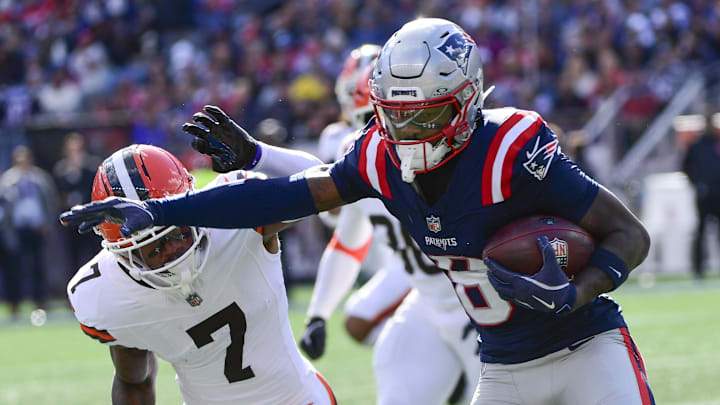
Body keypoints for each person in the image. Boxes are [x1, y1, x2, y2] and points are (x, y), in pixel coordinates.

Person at [61, 18, 654, 405]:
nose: (405, 130)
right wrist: (186, 199)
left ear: (468, 103)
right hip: (501, 364)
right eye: (393, 114)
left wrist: (579, 291)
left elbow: (629, 234)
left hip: (584, 342)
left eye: (423, 115)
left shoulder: (511, 149)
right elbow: (282, 194)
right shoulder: (379, 156)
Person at [64, 142, 336, 405]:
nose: (172, 249)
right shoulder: (105, 293)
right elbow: (135, 381)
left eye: (178, 230)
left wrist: (258, 153)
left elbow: (328, 185)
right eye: (155, 247)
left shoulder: (236, 220)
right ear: (123, 254)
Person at [300, 66, 480, 405]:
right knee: (396, 384)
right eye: (373, 117)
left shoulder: (459, 152)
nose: (393, 130)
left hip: (480, 299)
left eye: (401, 116)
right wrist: (319, 313)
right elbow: (347, 241)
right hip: (427, 302)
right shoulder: (360, 160)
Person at [0, 145, 57, 316]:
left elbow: (50, 202)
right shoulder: (8, 180)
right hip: (16, 229)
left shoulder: (40, 178)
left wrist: (47, 222)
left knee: (38, 266)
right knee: (14, 268)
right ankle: (14, 303)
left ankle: (40, 301)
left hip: (36, 228)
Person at [53, 133, 101, 279]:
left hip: (90, 218)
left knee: (94, 255)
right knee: (72, 258)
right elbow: (59, 194)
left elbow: (94, 191)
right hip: (72, 221)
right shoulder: (61, 169)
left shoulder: (92, 167)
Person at [681, 112, 720, 279]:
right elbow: (685, 167)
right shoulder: (696, 146)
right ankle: (698, 269)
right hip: (704, 194)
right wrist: (697, 183)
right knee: (701, 230)